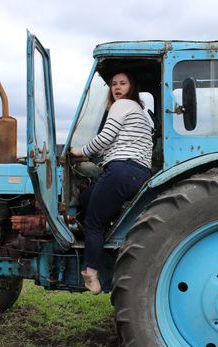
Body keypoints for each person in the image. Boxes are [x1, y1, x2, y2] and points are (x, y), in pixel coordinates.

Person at [70, 71, 153, 294]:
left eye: (123, 83)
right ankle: (100, 240)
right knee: (87, 197)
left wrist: (80, 151)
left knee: (93, 222)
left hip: (121, 171)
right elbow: (118, 142)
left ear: (131, 87)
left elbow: (106, 136)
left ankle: (92, 276)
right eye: (114, 84)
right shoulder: (140, 113)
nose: (117, 88)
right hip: (138, 174)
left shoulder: (122, 105)